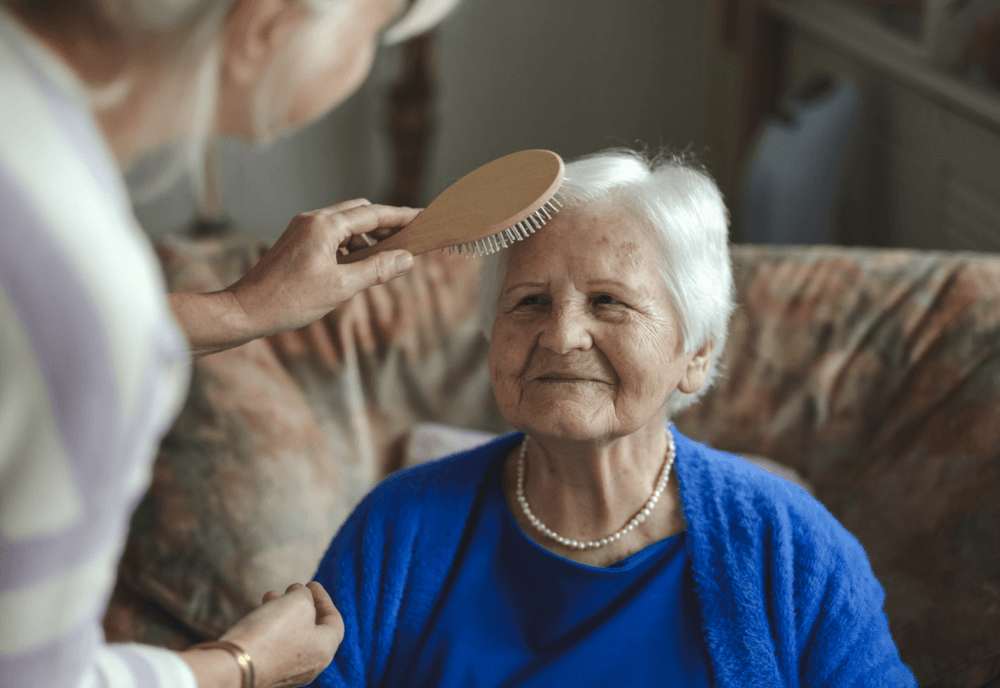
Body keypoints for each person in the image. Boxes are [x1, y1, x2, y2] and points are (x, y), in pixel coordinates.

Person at [309, 150, 919, 687]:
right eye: (529, 302)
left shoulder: (792, 550)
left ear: (697, 353)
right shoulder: (396, 531)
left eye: (608, 301)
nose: (562, 335)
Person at [0, 0, 457, 687]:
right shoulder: (84, 292)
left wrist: (241, 310)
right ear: (269, 26)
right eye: (374, 34)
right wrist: (241, 664)